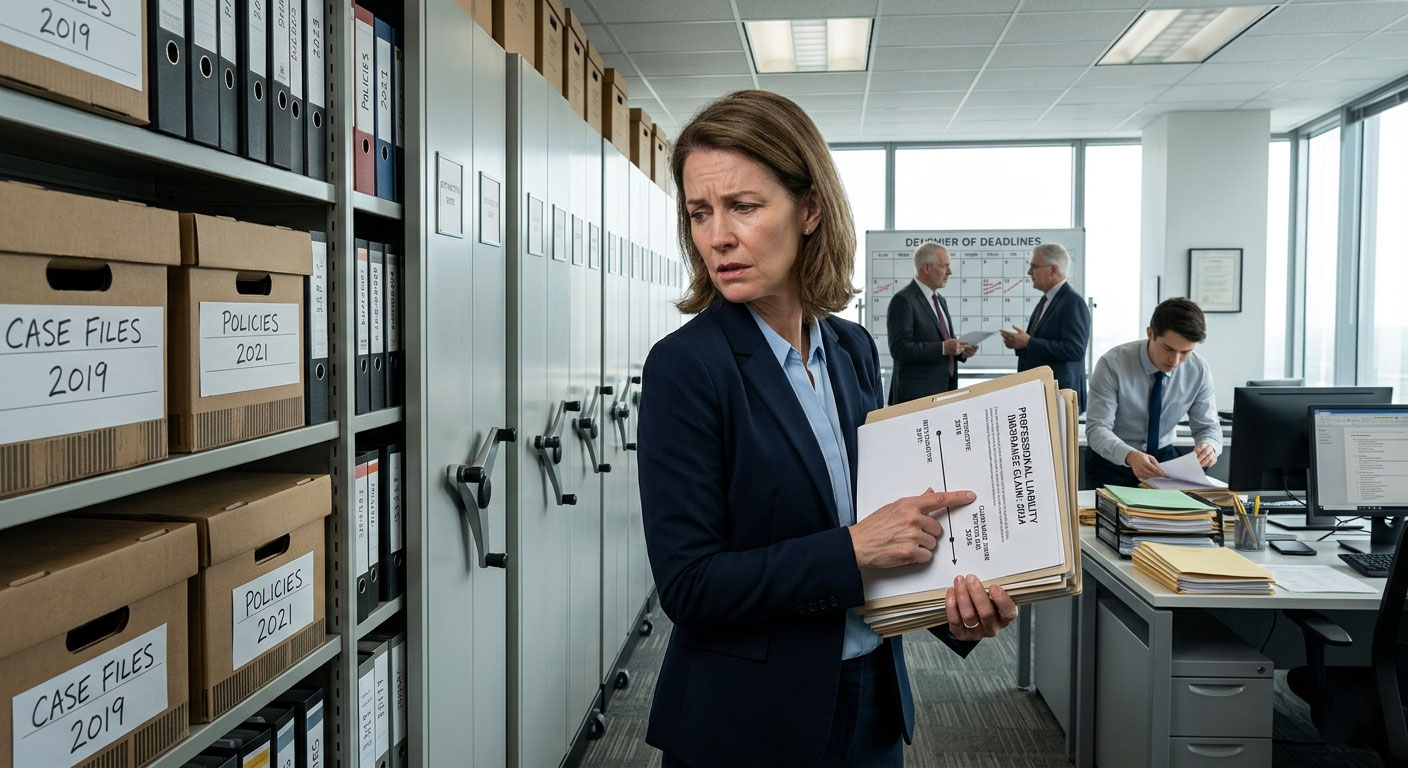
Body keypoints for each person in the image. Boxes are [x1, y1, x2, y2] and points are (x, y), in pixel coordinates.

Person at [638, 90, 1018, 768]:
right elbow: (690, 585)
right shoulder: (685, 366)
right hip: (748, 724)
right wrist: (853, 548)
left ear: (810, 209)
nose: (718, 235)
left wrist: (954, 608)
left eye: (744, 207)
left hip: (871, 700)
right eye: (701, 213)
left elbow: (883, 525)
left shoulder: (850, 348)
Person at [1085, 298, 1223, 489]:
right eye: (1168, 348)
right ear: (1150, 333)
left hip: (1164, 463)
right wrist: (1130, 456)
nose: (1175, 360)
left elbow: (1208, 428)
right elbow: (1097, 429)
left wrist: (1210, 446)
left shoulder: (1198, 370)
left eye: (1185, 352)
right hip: (1113, 461)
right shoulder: (1112, 364)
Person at [999, 243, 1090, 409]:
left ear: (1053, 270)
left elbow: (1075, 349)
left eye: (1034, 266)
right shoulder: (1047, 300)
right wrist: (1019, 344)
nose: (1029, 272)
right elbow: (1041, 343)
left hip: (1059, 399)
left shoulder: (1073, 302)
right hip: (1041, 396)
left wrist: (1029, 343)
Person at [885, 243, 977, 404]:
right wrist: (943, 348)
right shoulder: (903, 300)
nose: (949, 272)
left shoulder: (940, 300)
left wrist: (960, 352)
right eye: (944, 266)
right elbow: (899, 349)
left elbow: (942, 342)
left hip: (944, 392)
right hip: (917, 398)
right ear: (926, 268)